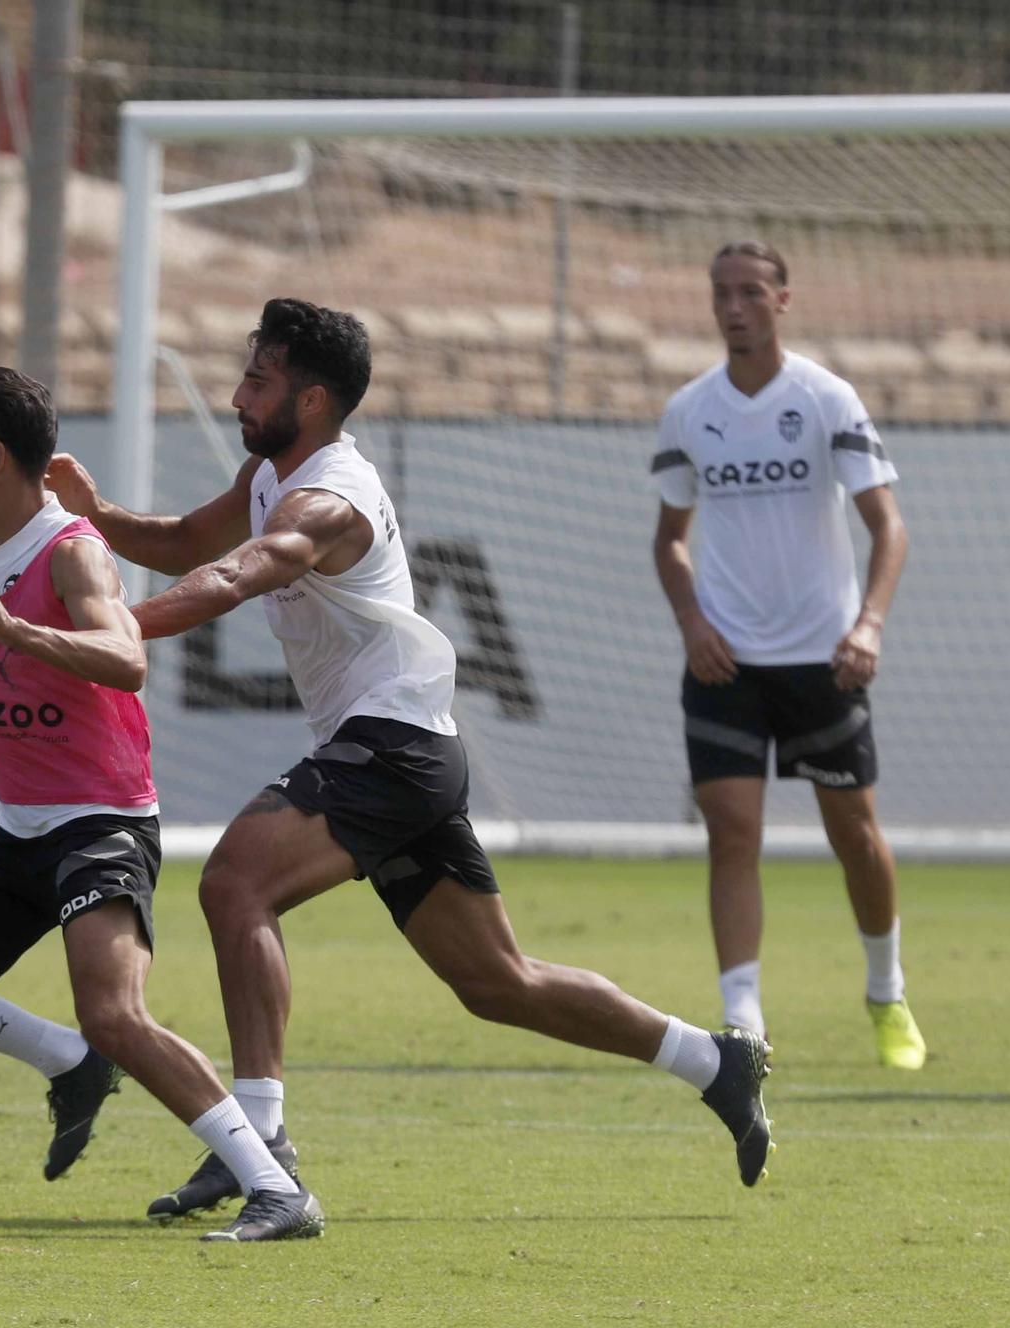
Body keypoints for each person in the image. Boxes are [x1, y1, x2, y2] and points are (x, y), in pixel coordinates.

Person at [45, 298, 774, 1229]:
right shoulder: (270, 471)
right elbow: (192, 543)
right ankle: (714, 1061)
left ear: (312, 400)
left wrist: (112, 634)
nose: (236, 396)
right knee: (498, 981)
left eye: (257, 381)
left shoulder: (328, 498)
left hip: (391, 745)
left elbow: (232, 576)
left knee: (235, 884)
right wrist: (100, 514)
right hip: (404, 749)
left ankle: (260, 1144)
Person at [0, 367, 320, 1243]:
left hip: (100, 825)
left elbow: (124, 657)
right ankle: (68, 1059)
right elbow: (23, 659)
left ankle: (275, 1185)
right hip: (22, 832)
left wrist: (8, 632)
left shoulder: (72, 551)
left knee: (116, 1011)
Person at [651, 241, 923, 1069]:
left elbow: (889, 526)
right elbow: (669, 540)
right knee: (732, 834)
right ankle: (744, 1020)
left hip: (823, 661)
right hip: (724, 662)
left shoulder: (825, 398)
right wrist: (693, 620)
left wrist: (868, 625)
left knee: (856, 836)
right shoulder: (688, 410)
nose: (734, 307)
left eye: (750, 292)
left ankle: (886, 991)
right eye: (720, 292)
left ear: (783, 300)